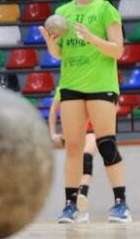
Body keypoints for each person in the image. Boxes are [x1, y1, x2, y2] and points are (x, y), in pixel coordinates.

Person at [40, 0, 130, 223]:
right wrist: (50, 44)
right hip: (71, 85)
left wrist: (92, 38)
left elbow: (118, 50)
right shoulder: (62, 12)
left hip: (101, 84)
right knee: (74, 147)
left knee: (105, 143)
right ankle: (71, 206)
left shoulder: (105, 10)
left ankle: (121, 203)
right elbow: (59, 54)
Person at [48, 93, 97, 223]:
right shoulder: (65, 86)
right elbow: (53, 109)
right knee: (74, 169)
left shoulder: (93, 85)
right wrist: (53, 133)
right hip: (72, 133)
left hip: (90, 131)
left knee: (87, 160)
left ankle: (82, 194)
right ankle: (73, 206)